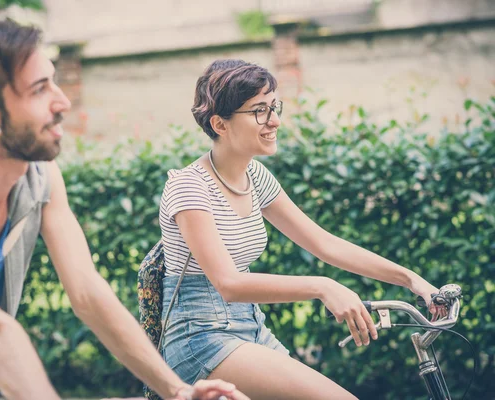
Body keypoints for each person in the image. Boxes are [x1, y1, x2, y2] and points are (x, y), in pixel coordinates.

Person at [0, 16, 249, 400]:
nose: (62, 102)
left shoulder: (39, 175)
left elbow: (86, 292)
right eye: (39, 89)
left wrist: (177, 391)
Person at [157, 59, 444, 400]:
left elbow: (324, 244)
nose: (274, 121)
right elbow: (229, 283)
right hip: (199, 337)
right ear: (220, 123)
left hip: (249, 328)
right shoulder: (189, 187)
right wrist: (321, 286)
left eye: (274, 107)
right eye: (259, 111)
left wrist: (411, 279)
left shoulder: (256, 177)